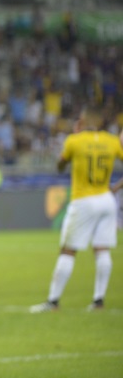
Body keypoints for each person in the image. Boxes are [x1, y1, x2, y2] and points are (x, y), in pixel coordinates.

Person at [30, 109, 123, 312]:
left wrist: (67, 154)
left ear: (81, 123)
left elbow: (60, 166)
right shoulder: (112, 141)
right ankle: (98, 301)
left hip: (83, 200)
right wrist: (115, 188)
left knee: (68, 250)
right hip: (107, 199)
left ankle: (53, 301)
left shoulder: (74, 141)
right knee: (102, 249)